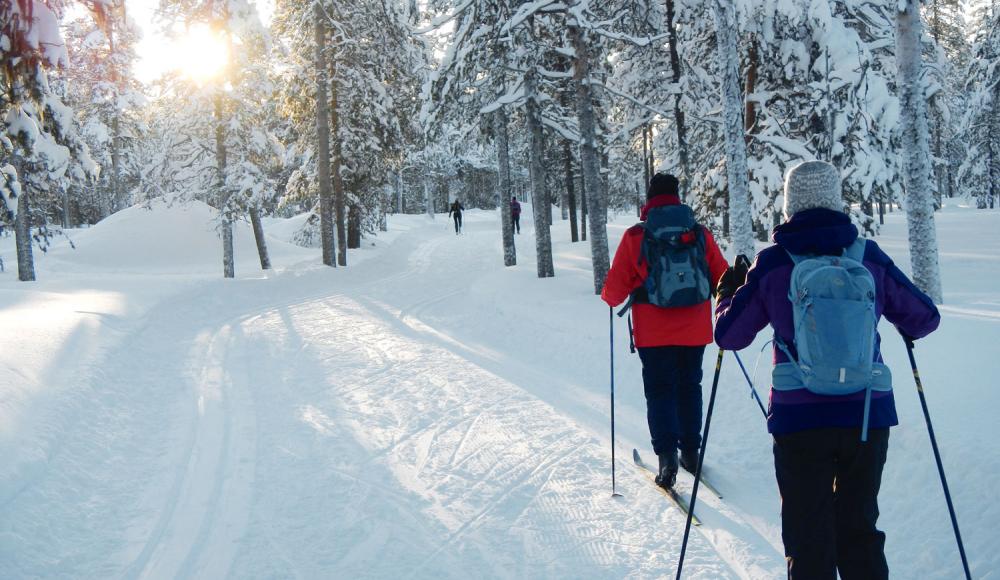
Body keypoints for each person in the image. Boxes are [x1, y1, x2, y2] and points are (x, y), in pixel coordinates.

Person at [714, 160, 940, 579]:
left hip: (799, 418)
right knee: (859, 531)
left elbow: (730, 336)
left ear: (789, 206)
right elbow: (925, 319)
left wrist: (728, 292)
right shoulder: (868, 256)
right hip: (867, 414)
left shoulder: (774, 263)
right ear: (837, 203)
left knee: (807, 534)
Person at [601, 173, 729, 489]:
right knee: (689, 387)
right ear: (677, 197)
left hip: (653, 333)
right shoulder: (699, 234)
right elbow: (723, 277)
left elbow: (613, 291)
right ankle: (690, 452)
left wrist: (615, 295)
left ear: (649, 200)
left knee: (659, 390)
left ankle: (666, 457)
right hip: (695, 330)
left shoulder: (636, 236)